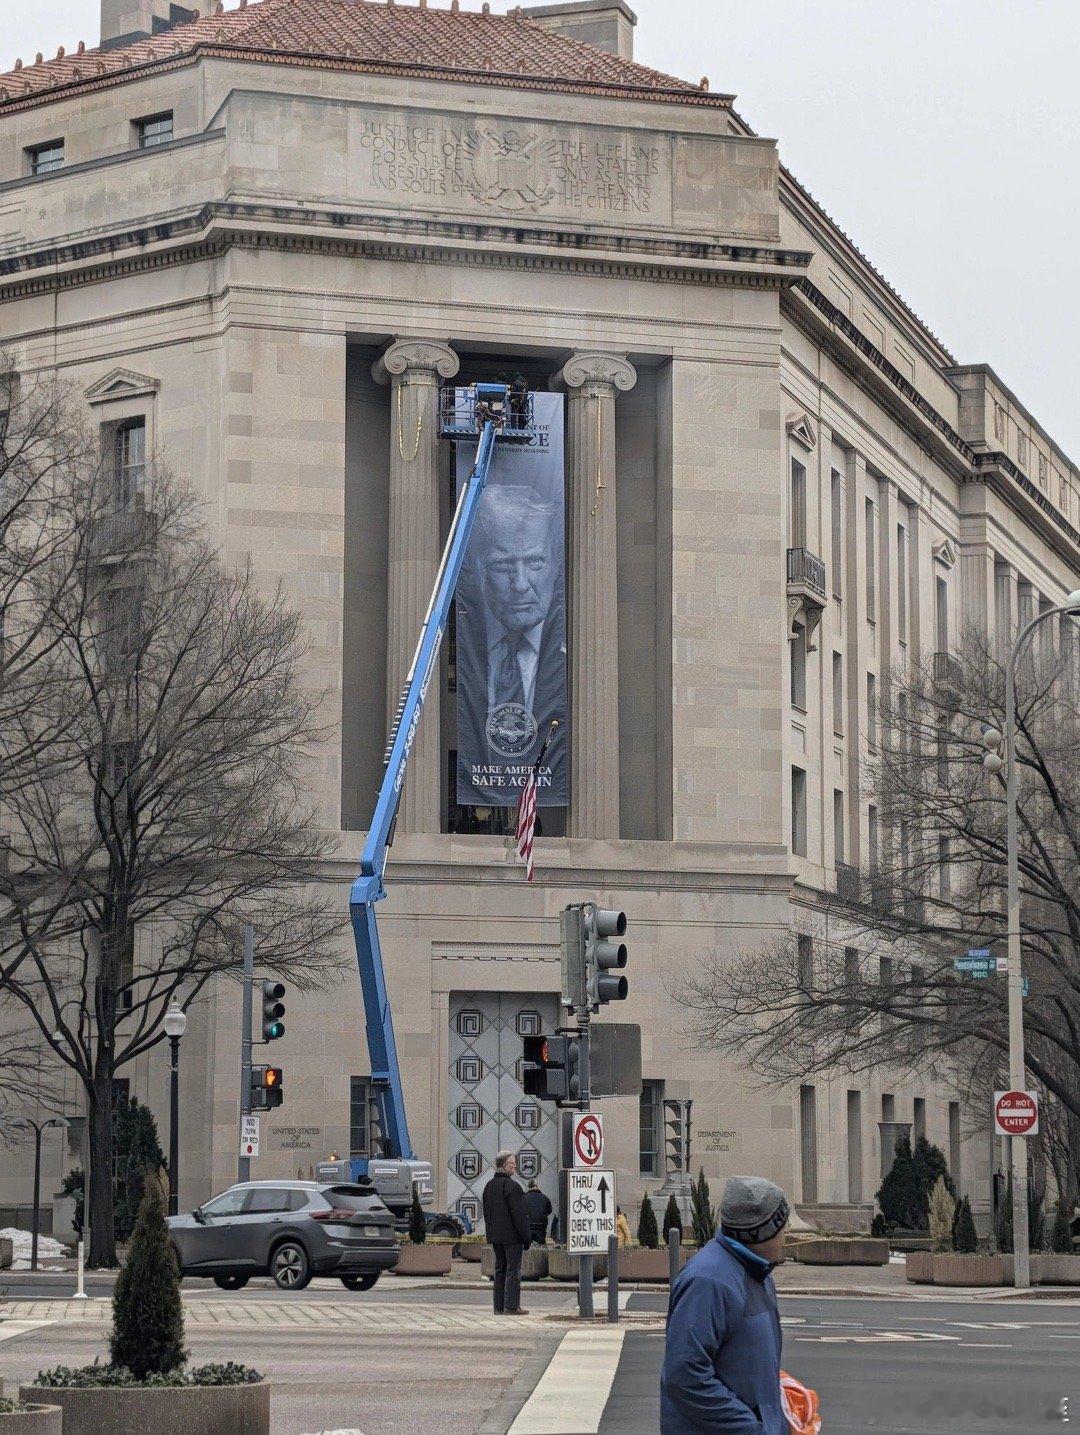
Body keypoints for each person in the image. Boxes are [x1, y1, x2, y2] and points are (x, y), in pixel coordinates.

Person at [660, 1175, 790, 1433]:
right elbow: (684, 1376)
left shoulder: (756, 1272)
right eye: (782, 1226)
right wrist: (752, 1428)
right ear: (761, 1232)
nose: (788, 1233)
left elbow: (746, 1362)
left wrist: (782, 1403)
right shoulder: (708, 1280)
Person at [481, 1150, 531, 1315]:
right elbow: (519, 1215)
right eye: (512, 1163)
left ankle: (498, 1306)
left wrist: (490, 1233)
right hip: (512, 1237)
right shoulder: (513, 1187)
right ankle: (511, 1306)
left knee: (500, 1269)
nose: (515, 1166)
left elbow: (487, 1212)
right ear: (504, 1166)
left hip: (496, 1237)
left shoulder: (489, 1186)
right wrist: (526, 1237)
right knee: (513, 1270)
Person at [523, 1179, 552, 1246]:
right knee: (541, 1245)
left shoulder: (523, 1198)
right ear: (536, 1185)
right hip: (541, 1227)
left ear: (529, 1187)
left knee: (527, 1246)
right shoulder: (545, 1198)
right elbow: (549, 1211)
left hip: (527, 1227)